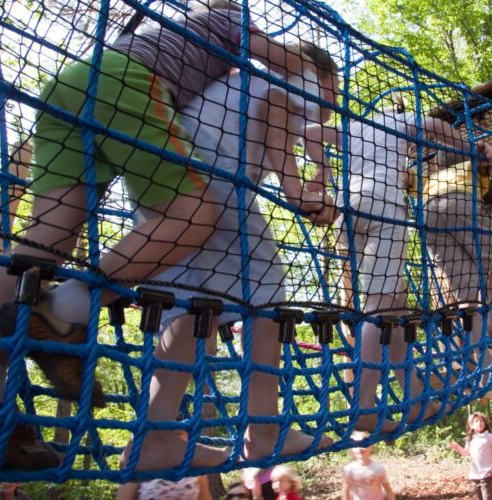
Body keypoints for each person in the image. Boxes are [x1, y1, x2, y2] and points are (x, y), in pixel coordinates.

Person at [0, 0, 317, 470]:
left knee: (43, 242)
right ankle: (64, 308)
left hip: (67, 86)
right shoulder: (231, 24)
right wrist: (306, 74)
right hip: (124, 82)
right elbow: (291, 66)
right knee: (196, 215)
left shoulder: (181, 51)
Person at [119, 40, 339, 472]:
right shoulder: (286, 87)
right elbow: (283, 154)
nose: (334, 98)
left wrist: (319, 173)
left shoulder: (245, 84)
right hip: (212, 180)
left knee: (189, 308)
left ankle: (153, 436)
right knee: (267, 291)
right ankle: (263, 429)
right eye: (334, 86)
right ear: (317, 75)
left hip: (164, 176)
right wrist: (304, 196)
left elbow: (289, 142)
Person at [304, 98, 492, 432]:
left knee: (395, 307)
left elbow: (310, 133)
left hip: (348, 210)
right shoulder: (399, 121)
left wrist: (323, 171)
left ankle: (414, 400)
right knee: (379, 309)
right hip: (383, 208)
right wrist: (471, 148)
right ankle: (362, 407)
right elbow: (436, 127)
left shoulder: (352, 127)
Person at [419, 134, 492, 374]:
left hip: (427, 215)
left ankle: (481, 361)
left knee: (467, 288)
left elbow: (408, 182)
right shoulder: (471, 169)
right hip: (460, 203)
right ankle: (490, 317)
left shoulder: (433, 179)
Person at [115, 428, 212, 500]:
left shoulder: (195, 467)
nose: (174, 440)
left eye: (179, 434)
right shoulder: (139, 467)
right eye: (168, 435)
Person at [447, 412, 492, 500]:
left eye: (481, 420)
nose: (479, 423)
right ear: (471, 425)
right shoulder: (470, 439)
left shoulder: (489, 437)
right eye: (476, 421)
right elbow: (465, 453)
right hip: (475, 476)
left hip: (488, 476)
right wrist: (456, 446)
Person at [342, 431, 396, 500]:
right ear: (351, 449)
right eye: (356, 445)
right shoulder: (350, 469)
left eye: (363, 444)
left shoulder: (378, 468)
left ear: (371, 447)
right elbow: (346, 491)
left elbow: (388, 490)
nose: (359, 448)